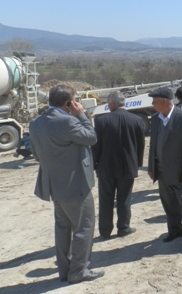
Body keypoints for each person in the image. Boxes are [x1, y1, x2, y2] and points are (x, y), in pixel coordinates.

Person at [30, 84, 104, 284]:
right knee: (84, 228)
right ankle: (79, 271)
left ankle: (65, 271)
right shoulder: (69, 122)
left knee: (62, 229)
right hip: (76, 186)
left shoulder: (36, 124)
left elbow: (37, 154)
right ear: (69, 103)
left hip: (54, 186)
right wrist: (82, 116)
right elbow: (91, 138)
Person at [147, 86, 182, 258]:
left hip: (179, 173)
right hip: (162, 172)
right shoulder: (155, 119)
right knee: (169, 204)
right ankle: (175, 231)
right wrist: (151, 167)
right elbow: (153, 146)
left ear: (163, 101)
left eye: (154, 100)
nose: (152, 104)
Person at [92, 91, 145, 239]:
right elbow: (140, 145)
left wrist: (94, 164)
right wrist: (137, 163)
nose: (108, 106)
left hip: (106, 168)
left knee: (105, 200)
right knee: (124, 199)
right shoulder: (136, 120)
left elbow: (96, 146)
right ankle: (123, 227)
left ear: (113, 103)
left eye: (108, 103)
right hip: (128, 167)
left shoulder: (101, 121)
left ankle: (105, 231)